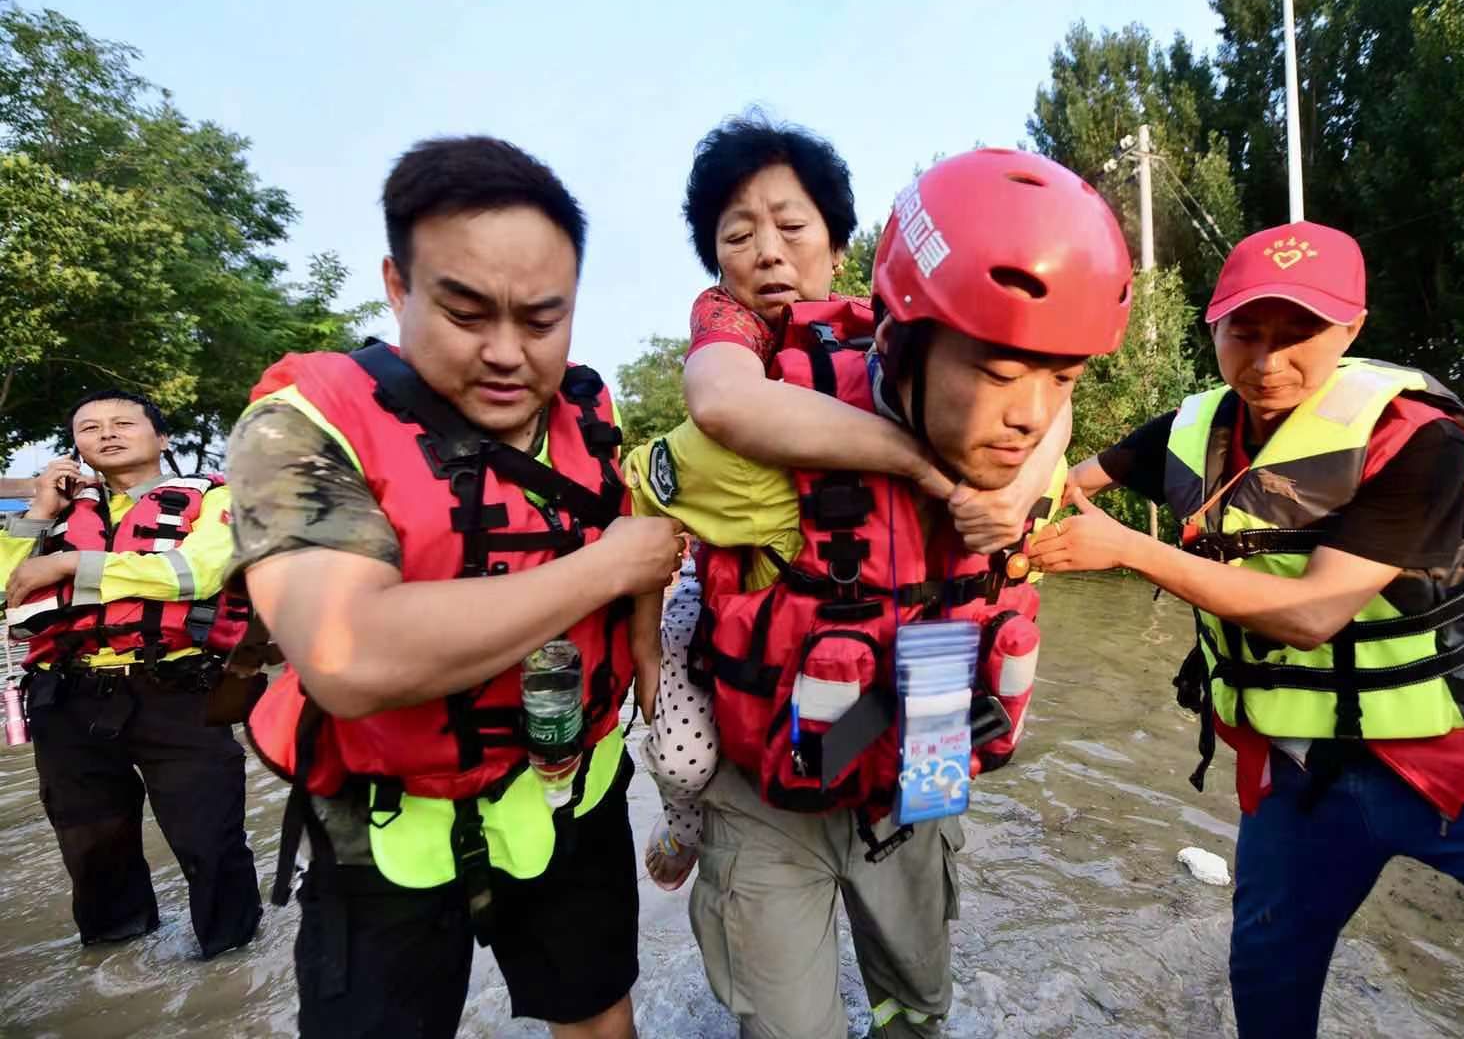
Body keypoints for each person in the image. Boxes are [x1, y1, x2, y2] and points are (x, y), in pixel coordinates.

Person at [1032, 220, 1464, 1034]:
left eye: (1300, 332)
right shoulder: (1189, 427)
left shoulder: (1418, 438)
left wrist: (1127, 549)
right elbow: (1062, 481)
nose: (1268, 361)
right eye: (1247, 332)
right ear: (1214, 327)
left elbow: (1315, 612)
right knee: (1267, 976)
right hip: (1299, 766)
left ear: (1350, 328)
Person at [627, 147, 1133, 1038]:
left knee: (919, 1007)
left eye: (1054, 378)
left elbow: (1053, 423)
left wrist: (1013, 495)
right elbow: (646, 495)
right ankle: (686, 823)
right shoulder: (760, 434)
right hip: (772, 788)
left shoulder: (1024, 456)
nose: (1025, 415)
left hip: (924, 758)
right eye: (996, 373)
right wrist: (648, 664)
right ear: (907, 346)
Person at [226, 137, 682, 1039]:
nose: (507, 353)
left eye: (543, 319)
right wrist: (606, 569)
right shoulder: (297, 426)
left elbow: (643, 543)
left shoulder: (591, 415)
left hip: (568, 797)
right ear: (398, 286)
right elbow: (348, 658)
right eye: (466, 311)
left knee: (598, 1018)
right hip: (385, 827)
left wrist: (647, 640)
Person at [641, 116, 1071, 890]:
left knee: (920, 940)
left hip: (928, 665)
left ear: (839, 247)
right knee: (683, 753)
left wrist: (1016, 489)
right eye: (738, 237)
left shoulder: (906, 340)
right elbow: (721, 403)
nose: (768, 252)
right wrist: (920, 464)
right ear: (716, 263)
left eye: (792, 227)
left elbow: (1046, 383)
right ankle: (687, 827)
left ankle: (916, 969)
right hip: (788, 655)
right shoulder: (728, 331)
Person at [0, 391, 261, 958]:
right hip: (66, 696)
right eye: (89, 427)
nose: (107, 433)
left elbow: (195, 572)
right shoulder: (57, 516)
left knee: (209, 841)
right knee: (93, 853)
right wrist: (41, 513)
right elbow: (5, 586)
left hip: (176, 691)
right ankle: (116, 973)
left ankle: (232, 967)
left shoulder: (214, 498)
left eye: (124, 423)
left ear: (161, 437)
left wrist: (71, 562)